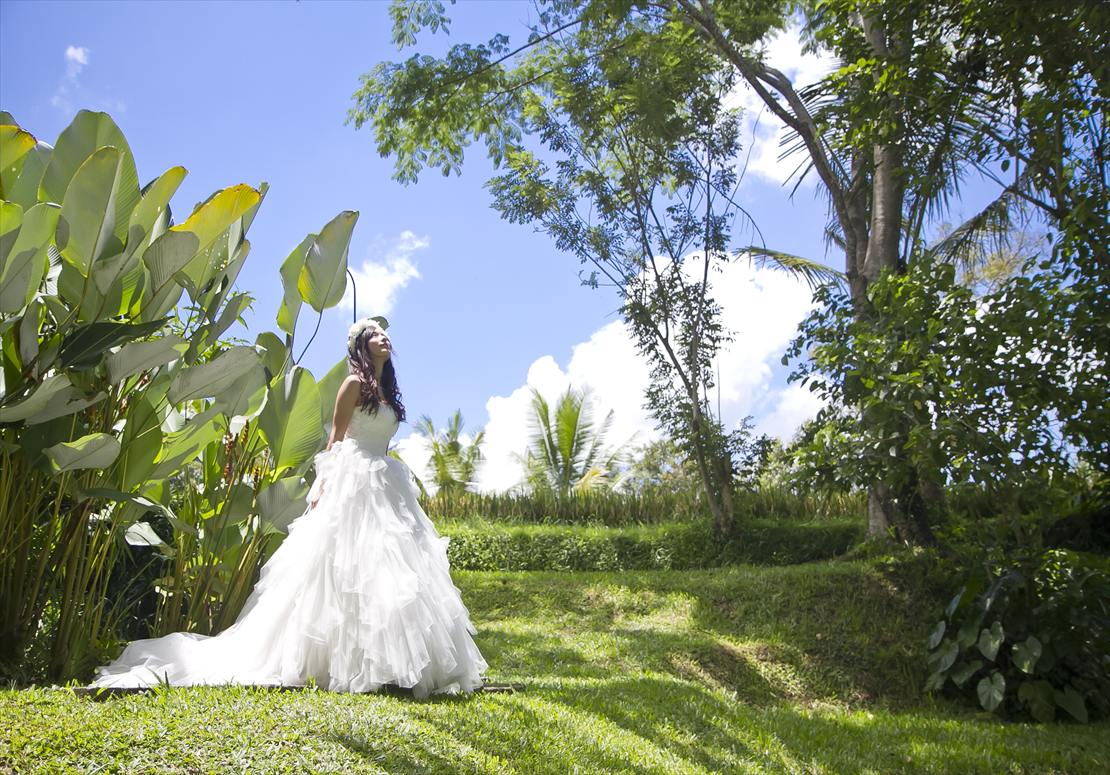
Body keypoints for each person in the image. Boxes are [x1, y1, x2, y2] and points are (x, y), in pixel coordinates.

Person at [90, 317, 489, 698]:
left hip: (385, 478)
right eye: (374, 334)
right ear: (360, 346)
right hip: (353, 476)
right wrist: (323, 487)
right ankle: (346, 663)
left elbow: (382, 444)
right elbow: (334, 438)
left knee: (394, 570)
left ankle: (398, 665)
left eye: (385, 335)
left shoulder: (387, 393)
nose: (383, 338)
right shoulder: (352, 384)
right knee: (347, 567)